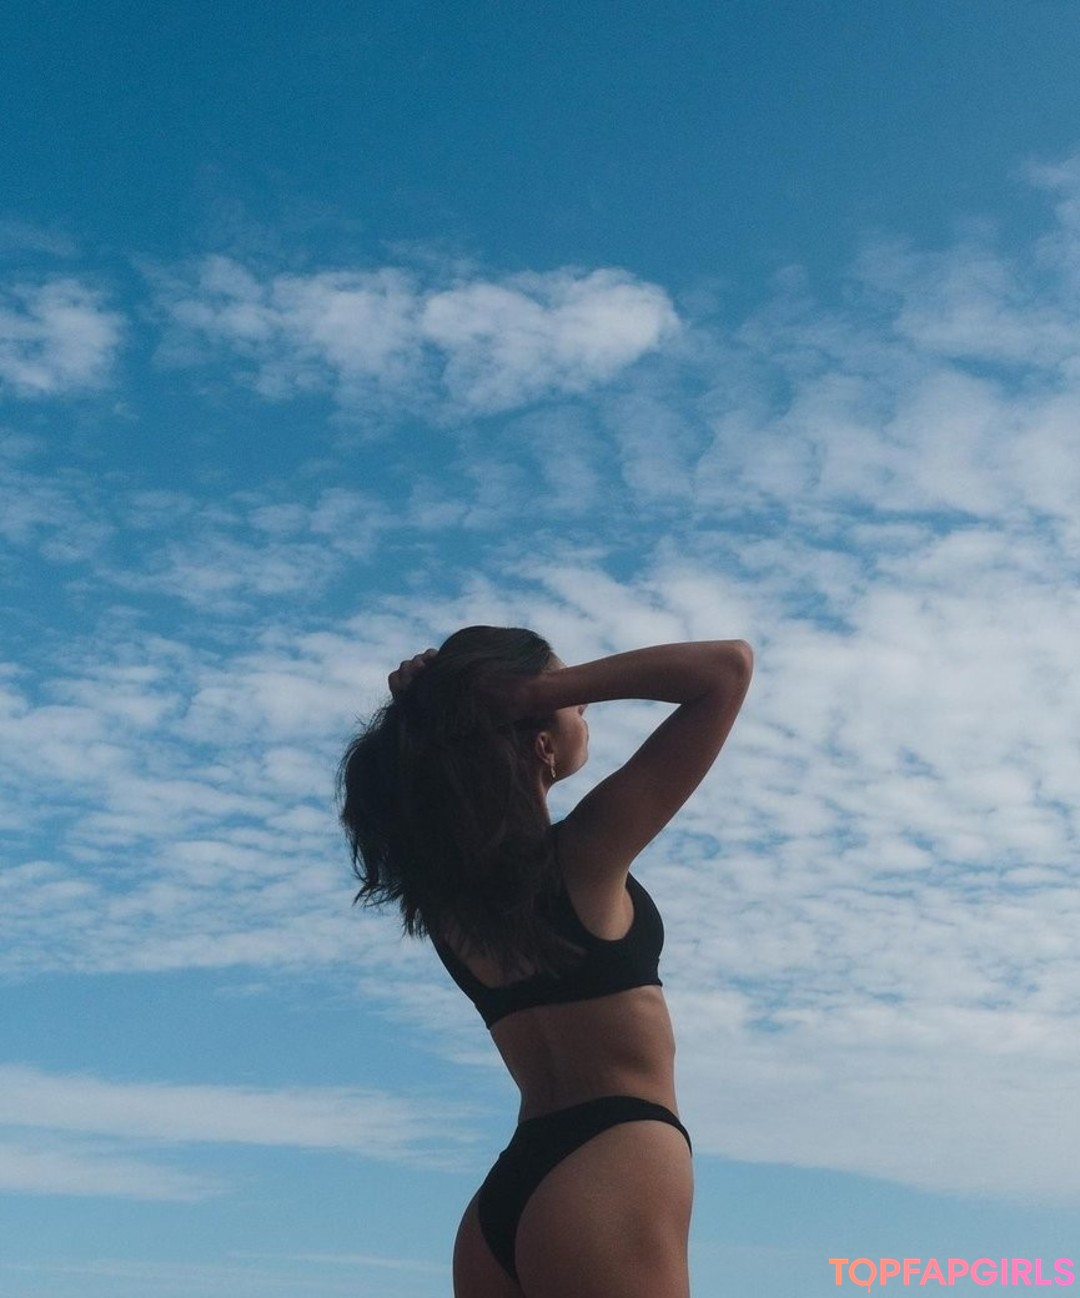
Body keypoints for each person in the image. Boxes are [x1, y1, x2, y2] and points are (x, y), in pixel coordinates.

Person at [338, 626, 753, 1297]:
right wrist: (534, 691)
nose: (580, 703)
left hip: (505, 1202)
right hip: (610, 1167)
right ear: (541, 744)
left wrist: (439, 705)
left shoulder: (448, 902)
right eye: (568, 697)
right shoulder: (585, 857)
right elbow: (726, 669)